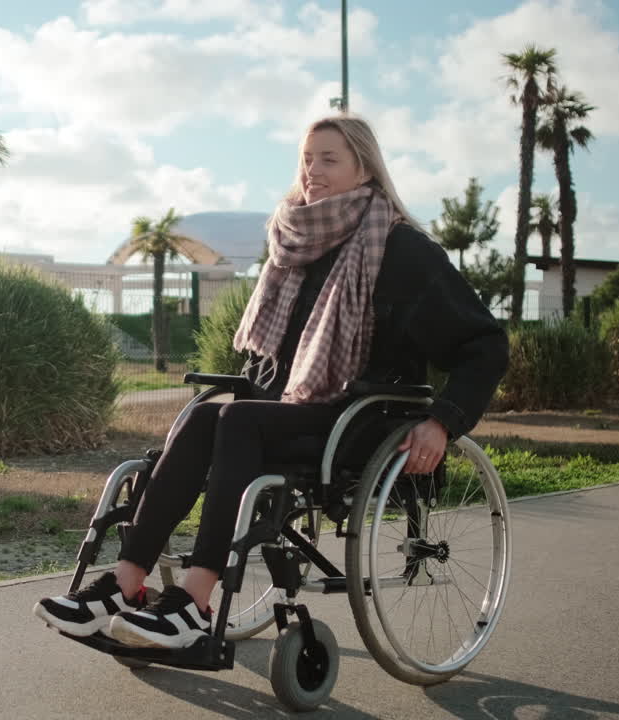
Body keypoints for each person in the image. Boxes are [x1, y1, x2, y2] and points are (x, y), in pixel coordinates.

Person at [34, 114, 509, 650]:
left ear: (364, 168)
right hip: (291, 409)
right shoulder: (295, 238)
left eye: (329, 159)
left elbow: (485, 346)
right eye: (307, 158)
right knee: (202, 414)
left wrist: (442, 421)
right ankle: (123, 586)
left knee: (237, 419)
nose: (313, 170)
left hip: (364, 417)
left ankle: (193, 602)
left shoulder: (402, 250)